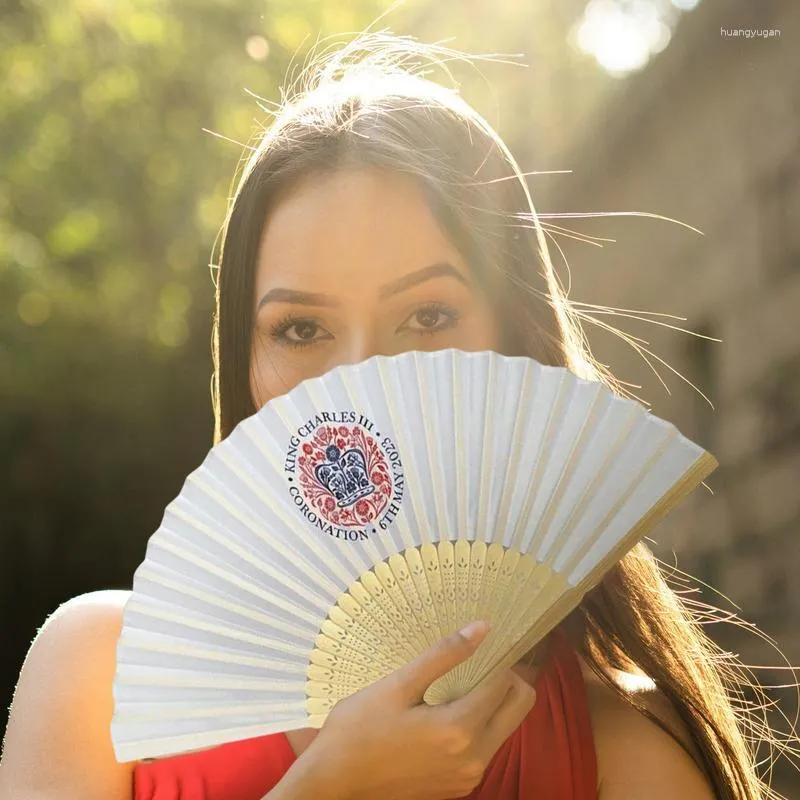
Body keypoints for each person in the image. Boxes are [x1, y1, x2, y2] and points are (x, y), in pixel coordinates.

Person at [0, 33, 785, 800]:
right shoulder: (104, 675)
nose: (359, 385)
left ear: (513, 345)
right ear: (242, 357)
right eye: (301, 330)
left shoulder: (621, 749)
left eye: (428, 316)